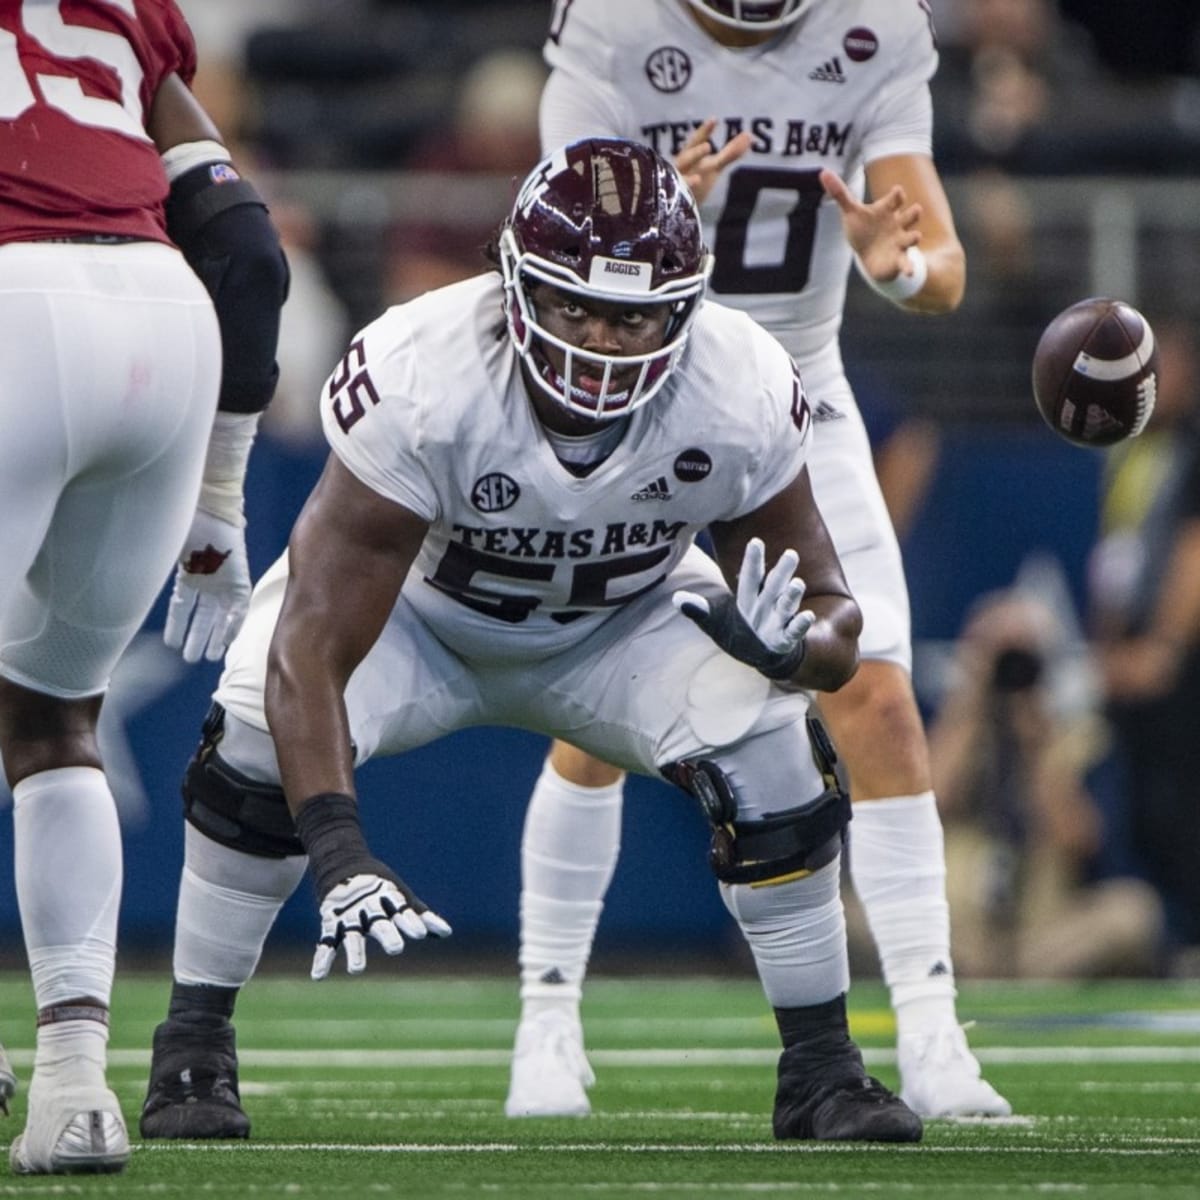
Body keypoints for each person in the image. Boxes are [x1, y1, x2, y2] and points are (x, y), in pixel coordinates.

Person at [138, 136, 925, 1145]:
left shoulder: (738, 382)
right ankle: (193, 1044)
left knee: (775, 743)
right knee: (251, 728)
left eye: (635, 315)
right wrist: (338, 851)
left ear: (685, 308)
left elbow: (832, 610)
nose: (602, 341)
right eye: (574, 307)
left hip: (623, 623)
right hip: (421, 622)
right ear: (513, 286)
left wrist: (797, 654)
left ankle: (823, 1069)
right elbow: (312, 647)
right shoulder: (424, 369)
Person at [504, 0, 1010, 1121]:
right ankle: (547, 1022)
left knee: (874, 695)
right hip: (641, 387)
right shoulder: (615, 26)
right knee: (591, 726)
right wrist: (647, 223)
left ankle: (931, 1038)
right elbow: (541, 251)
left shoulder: (873, 28)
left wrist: (894, 267)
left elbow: (943, 267)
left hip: (795, 391)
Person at [0, 0, 287, 1175]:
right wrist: (219, 498)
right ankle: (75, 1090)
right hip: (167, 328)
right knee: (54, 716)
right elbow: (247, 249)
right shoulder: (121, 11)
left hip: (14, 308)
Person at [929, 590, 1163, 978]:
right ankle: (977, 969)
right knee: (856, 912)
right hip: (958, 925)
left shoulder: (1079, 736)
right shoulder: (955, 729)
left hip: (1042, 927)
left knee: (1134, 911)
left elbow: (1081, 840)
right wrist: (969, 704)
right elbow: (927, 804)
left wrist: (1038, 746)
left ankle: (1008, 974)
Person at [1089, 314, 1200, 968]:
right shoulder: (1129, 450)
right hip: (1128, 661)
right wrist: (1108, 647)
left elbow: (1193, 546)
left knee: (1181, 803)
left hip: (1179, 668)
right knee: (1144, 812)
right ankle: (1175, 942)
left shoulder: (1193, 447)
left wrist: (1163, 647)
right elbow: (1115, 554)